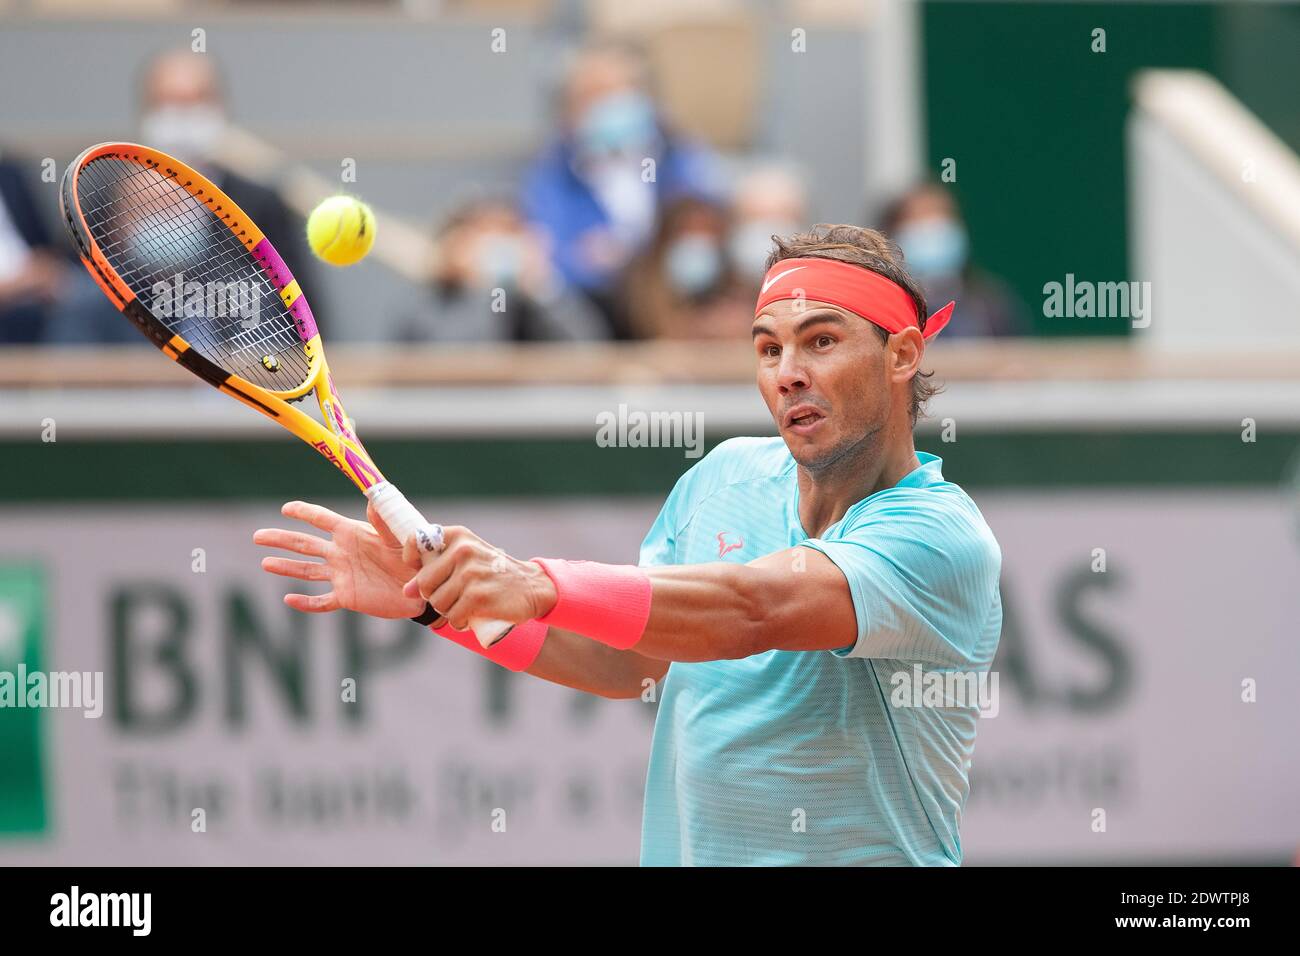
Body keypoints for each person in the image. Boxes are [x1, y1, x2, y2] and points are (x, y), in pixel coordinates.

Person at [254, 223, 1003, 866]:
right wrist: (442, 609)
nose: (788, 374)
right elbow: (631, 663)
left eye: (822, 342)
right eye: (768, 349)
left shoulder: (939, 536)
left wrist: (538, 582)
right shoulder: (726, 474)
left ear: (902, 355)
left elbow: (754, 610)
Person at [520, 41, 727, 337]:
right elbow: (551, 254)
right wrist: (588, 262)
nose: (610, 105)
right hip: (593, 314)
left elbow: (706, 230)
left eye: (621, 91)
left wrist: (633, 254)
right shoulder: (554, 171)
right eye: (594, 95)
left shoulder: (683, 157)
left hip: (674, 309)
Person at [397, 198, 608, 342]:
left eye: (509, 234)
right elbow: (457, 360)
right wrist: (478, 288)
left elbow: (588, 350)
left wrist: (544, 287)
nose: (498, 250)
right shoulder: (432, 304)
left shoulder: (534, 302)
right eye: (484, 237)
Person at [879, 182, 1026, 338]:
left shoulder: (990, 305)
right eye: (917, 218)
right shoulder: (881, 306)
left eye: (941, 217)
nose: (932, 230)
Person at [621, 195, 752, 340]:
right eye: (687, 230)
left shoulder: (735, 285)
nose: (697, 240)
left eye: (707, 230)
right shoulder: (639, 288)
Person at [0, 152, 68, 344]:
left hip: (37, 291)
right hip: (20, 290)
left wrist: (47, 269)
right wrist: (16, 286)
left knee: (90, 297)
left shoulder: (10, 174)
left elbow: (43, 241)